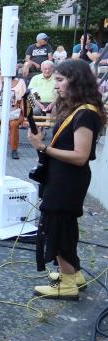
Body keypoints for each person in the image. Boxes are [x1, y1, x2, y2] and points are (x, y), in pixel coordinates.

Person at [27, 60, 106, 299]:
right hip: (63, 178)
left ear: (76, 81)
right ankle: (73, 273)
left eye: (60, 80)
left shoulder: (85, 114)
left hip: (68, 181)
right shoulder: (78, 109)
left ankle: (68, 283)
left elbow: (81, 156)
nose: (56, 86)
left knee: (57, 227)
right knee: (65, 227)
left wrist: (43, 147)